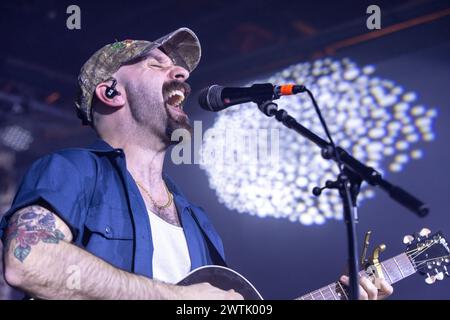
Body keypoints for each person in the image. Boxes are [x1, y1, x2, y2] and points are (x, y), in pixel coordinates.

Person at [0, 28, 393, 300]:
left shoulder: (199, 223)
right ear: (110, 91)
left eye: (179, 68)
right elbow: (29, 262)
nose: (183, 74)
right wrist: (179, 298)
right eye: (155, 64)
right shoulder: (72, 170)